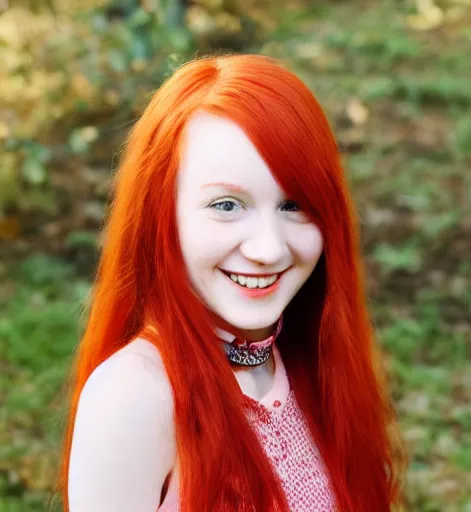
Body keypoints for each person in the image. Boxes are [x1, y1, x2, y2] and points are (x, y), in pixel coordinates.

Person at [58, 54, 405, 512]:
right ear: (160, 215)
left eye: (293, 205)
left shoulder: (306, 358)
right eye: (226, 205)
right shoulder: (135, 395)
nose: (269, 249)